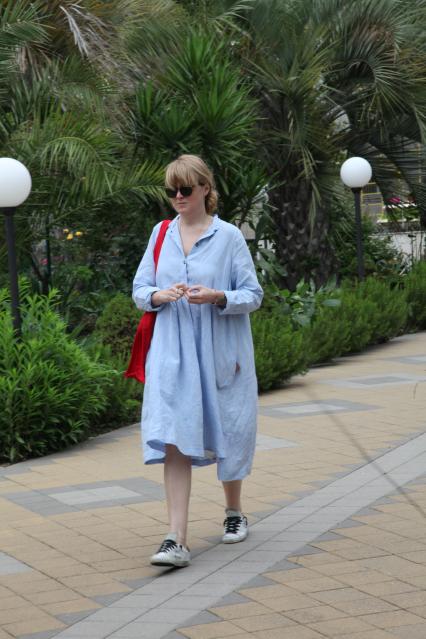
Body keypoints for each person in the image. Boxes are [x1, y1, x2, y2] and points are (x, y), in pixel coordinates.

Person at [132, 154, 263, 567]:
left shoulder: (229, 237)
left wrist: (218, 296)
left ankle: (233, 509)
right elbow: (140, 288)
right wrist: (158, 295)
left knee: (230, 429)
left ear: (205, 188)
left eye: (185, 189)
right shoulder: (161, 233)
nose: (178, 196)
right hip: (172, 356)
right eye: (171, 190)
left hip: (219, 353)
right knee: (174, 437)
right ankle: (176, 538)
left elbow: (253, 294)